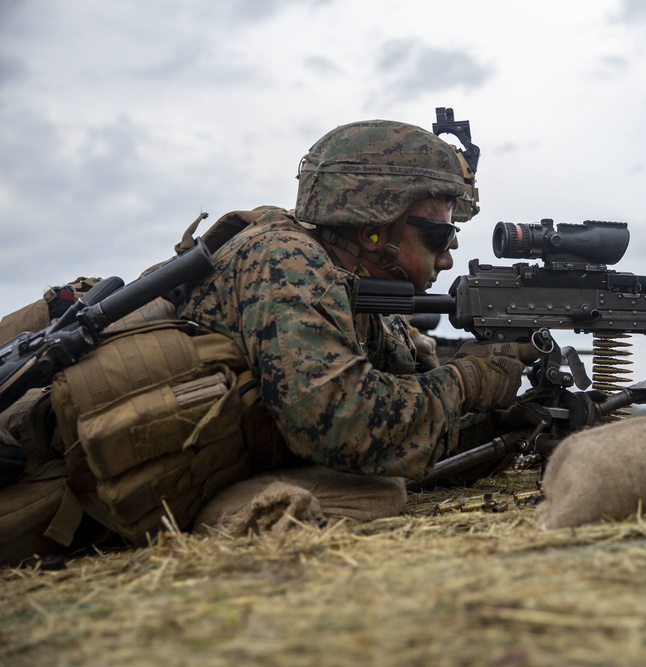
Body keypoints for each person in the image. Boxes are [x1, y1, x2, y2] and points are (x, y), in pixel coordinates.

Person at [168, 118, 534, 526]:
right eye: (438, 237)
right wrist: (468, 382)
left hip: (226, 466)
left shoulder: (360, 291)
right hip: (149, 487)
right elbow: (343, 424)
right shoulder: (285, 259)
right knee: (376, 494)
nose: (447, 258)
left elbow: (398, 429)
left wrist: (500, 422)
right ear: (373, 232)